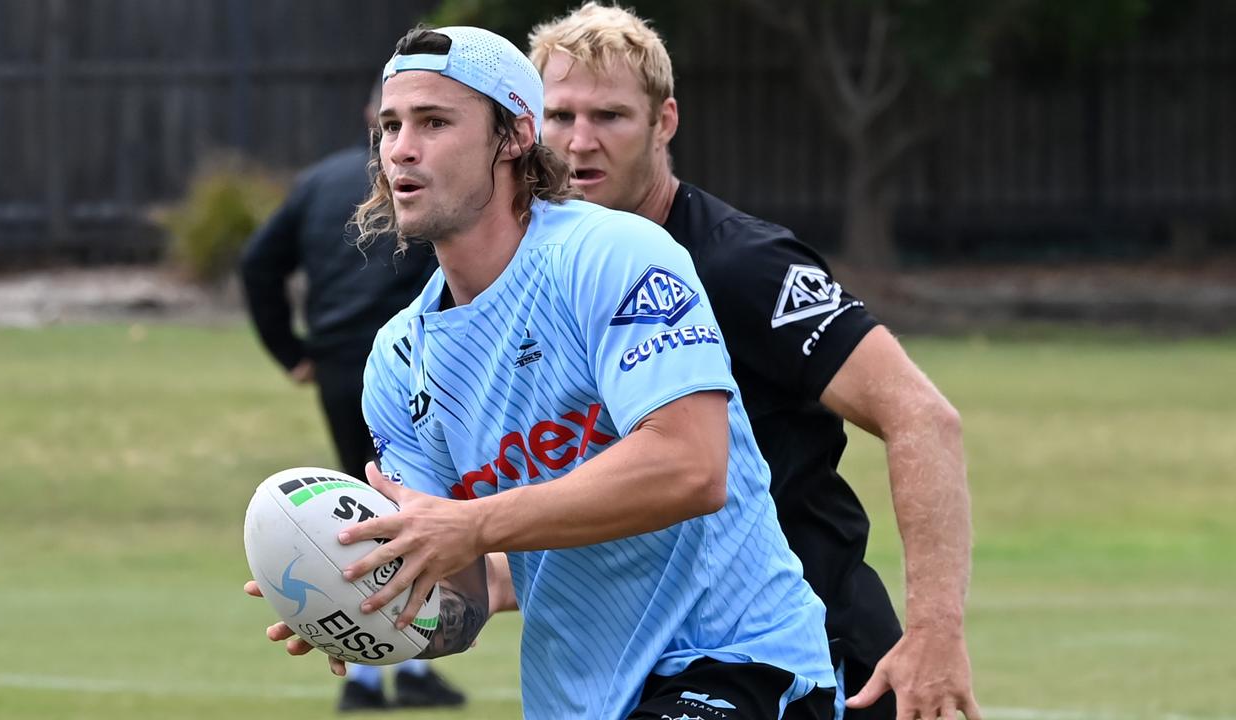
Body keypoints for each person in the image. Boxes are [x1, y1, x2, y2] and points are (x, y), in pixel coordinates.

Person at [247, 24, 838, 720]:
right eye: (390, 124)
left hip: (738, 665)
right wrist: (369, 610)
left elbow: (690, 465)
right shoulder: (400, 360)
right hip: (577, 700)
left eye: (435, 122)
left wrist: (475, 523)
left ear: (516, 134)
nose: (400, 149)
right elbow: (461, 603)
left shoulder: (610, 256)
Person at [525, 5, 981, 720]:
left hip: (810, 664)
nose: (579, 142)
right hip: (652, 666)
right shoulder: (544, 281)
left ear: (663, 122)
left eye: (610, 116)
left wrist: (935, 631)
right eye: (559, 116)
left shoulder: (740, 265)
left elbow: (923, 416)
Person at [238, 76, 464, 711]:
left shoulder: (317, 181)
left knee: (372, 506)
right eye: (396, 121)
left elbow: (257, 262)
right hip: (407, 363)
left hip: (339, 363)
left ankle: (409, 665)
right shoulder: (433, 191)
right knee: (384, 510)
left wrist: (296, 352)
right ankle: (373, 671)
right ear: (378, 118)